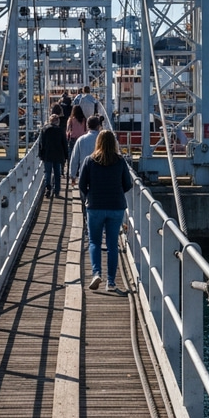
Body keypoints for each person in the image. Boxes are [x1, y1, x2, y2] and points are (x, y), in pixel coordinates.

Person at [78, 129, 132, 292]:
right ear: (113, 143)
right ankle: (111, 282)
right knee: (112, 244)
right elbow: (128, 184)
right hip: (116, 206)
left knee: (94, 241)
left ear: (98, 142)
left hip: (95, 206)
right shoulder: (120, 161)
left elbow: (81, 184)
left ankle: (96, 273)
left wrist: (90, 195)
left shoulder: (89, 161)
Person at [38, 114, 68, 196]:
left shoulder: (44, 129)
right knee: (57, 173)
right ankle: (56, 190)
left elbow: (41, 143)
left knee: (47, 172)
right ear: (57, 121)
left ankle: (48, 188)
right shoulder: (60, 130)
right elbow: (64, 143)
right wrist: (66, 155)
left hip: (47, 154)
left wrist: (40, 154)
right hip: (58, 154)